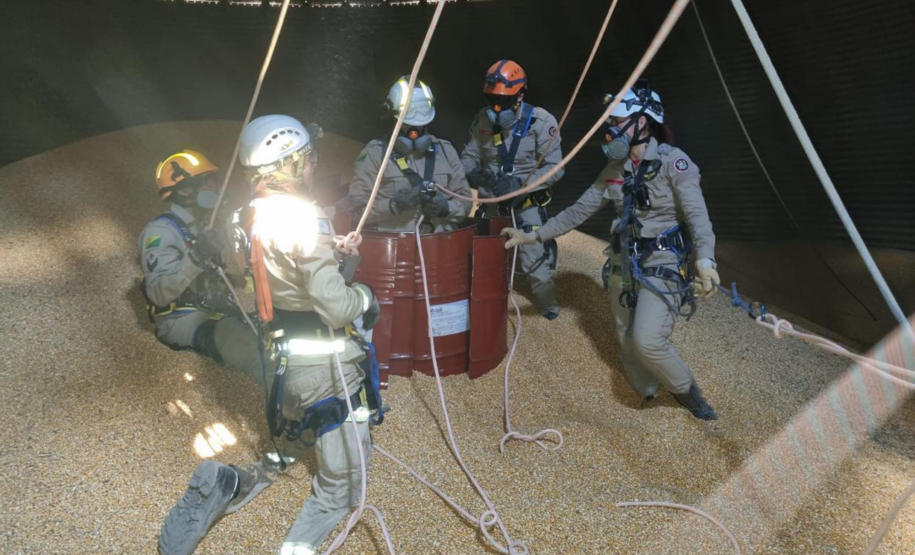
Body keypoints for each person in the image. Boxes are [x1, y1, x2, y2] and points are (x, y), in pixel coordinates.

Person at [158, 115, 383, 555]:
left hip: (283, 367)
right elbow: (335, 306)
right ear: (293, 164)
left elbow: (265, 268)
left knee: (301, 438)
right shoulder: (307, 219)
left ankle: (235, 482)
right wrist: (364, 296)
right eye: (308, 159)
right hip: (327, 369)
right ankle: (294, 549)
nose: (313, 166)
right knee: (343, 489)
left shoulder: (244, 217)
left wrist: (329, 251)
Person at [501, 81, 720, 420]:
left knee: (647, 339)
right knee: (626, 339)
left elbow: (697, 215)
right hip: (622, 262)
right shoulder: (614, 171)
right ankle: (647, 396)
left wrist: (705, 260)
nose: (612, 128)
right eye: (612, 122)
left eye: (619, 121)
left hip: (662, 260)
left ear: (643, 122)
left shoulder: (673, 163)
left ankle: (688, 395)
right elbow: (579, 210)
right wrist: (533, 235)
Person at [139, 149, 260, 380]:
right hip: (181, 319)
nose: (218, 187)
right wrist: (196, 255)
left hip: (218, 311)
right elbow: (158, 293)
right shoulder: (160, 232)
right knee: (248, 347)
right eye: (209, 182)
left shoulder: (207, 226)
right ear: (185, 190)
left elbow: (221, 277)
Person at [461, 59, 564, 320]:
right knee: (481, 257)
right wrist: (477, 174)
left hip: (525, 203)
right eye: (492, 99)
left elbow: (556, 168)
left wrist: (521, 185)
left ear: (520, 94)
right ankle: (483, 306)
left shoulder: (541, 121)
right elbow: (468, 157)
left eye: (504, 101)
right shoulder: (482, 119)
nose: (497, 107)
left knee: (533, 262)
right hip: (491, 201)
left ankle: (548, 306)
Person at [348, 76, 472, 234]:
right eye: (407, 123)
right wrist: (392, 205)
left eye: (420, 125)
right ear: (393, 119)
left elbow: (466, 200)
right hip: (395, 249)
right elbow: (354, 209)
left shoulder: (446, 151)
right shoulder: (374, 154)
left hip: (440, 247)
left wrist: (447, 208)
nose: (414, 132)